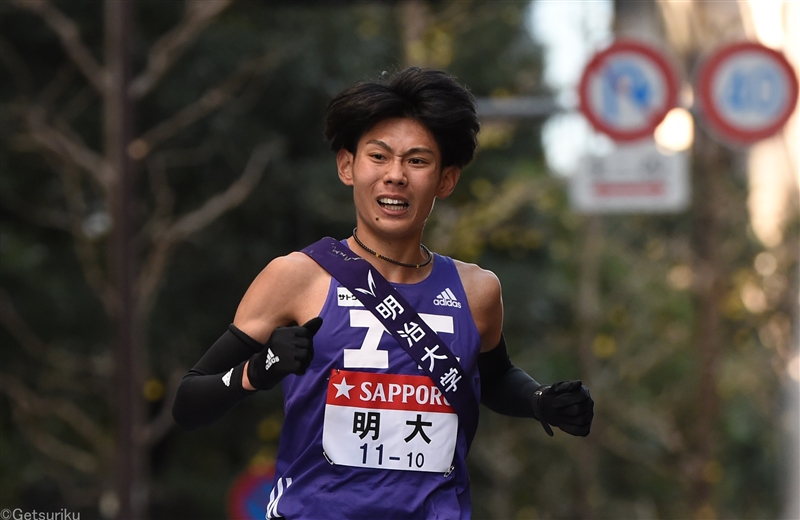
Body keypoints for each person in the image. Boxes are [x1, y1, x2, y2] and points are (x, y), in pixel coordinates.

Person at [172, 67, 594, 519]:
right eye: (379, 156)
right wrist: (259, 369)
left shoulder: (477, 291)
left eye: (417, 161)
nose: (395, 176)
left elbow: (490, 377)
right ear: (347, 166)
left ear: (446, 180)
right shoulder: (298, 277)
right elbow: (188, 402)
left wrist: (539, 401)